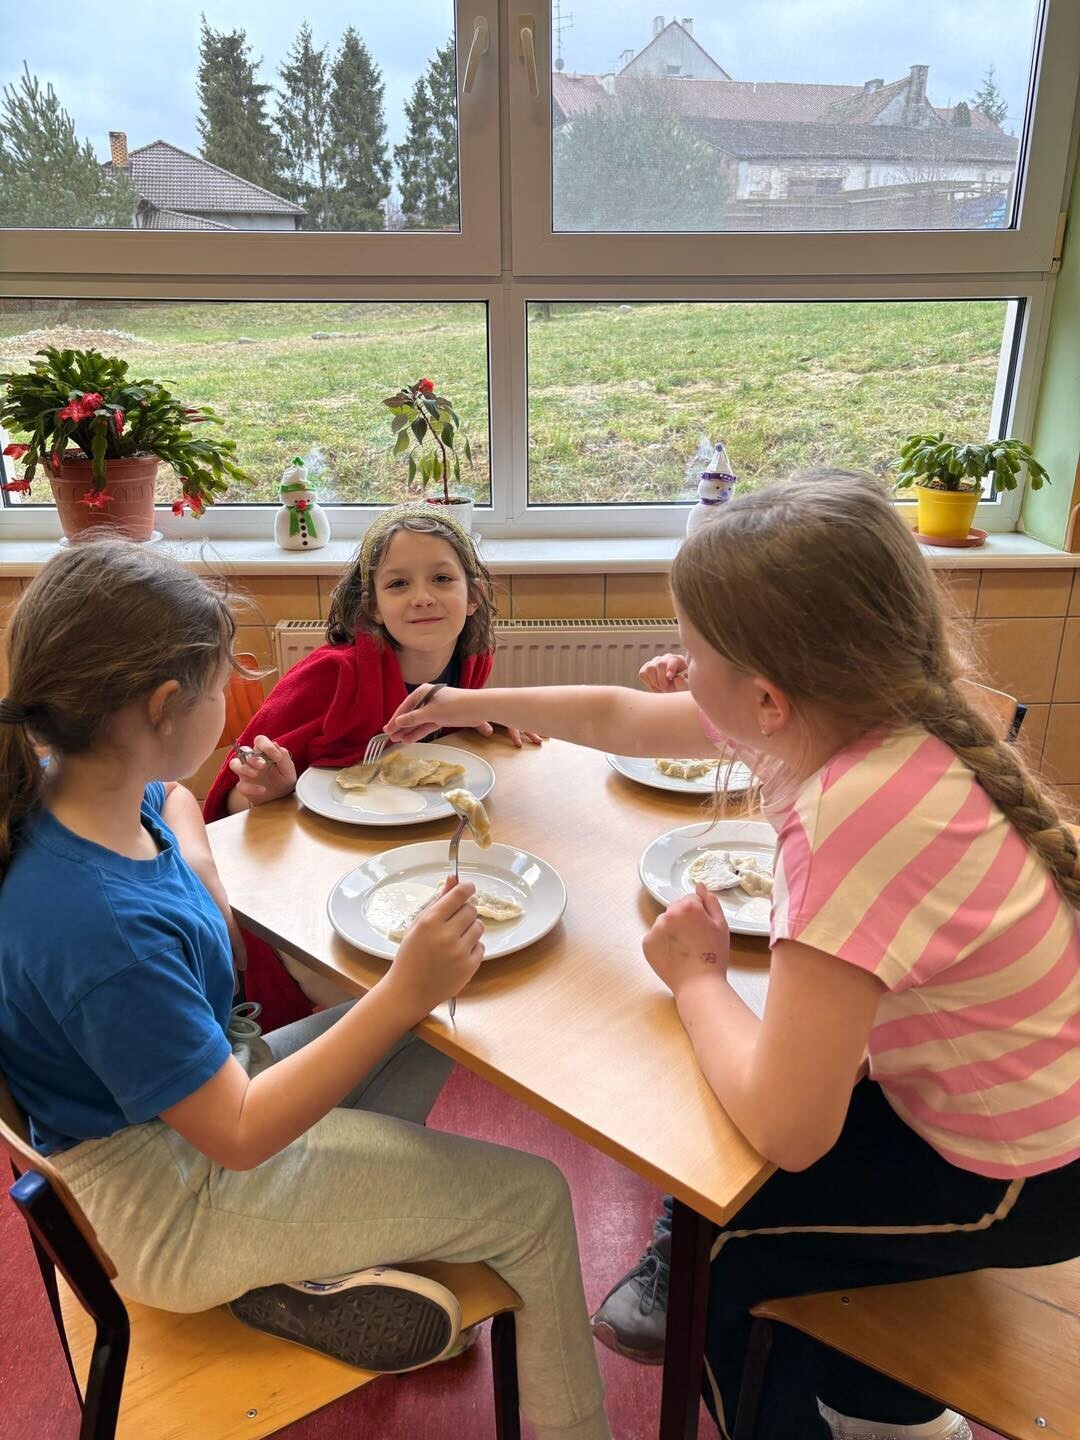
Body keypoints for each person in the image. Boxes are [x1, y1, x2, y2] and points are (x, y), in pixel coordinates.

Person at [386, 471, 1080, 1440]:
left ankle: (865, 1414)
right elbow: (622, 718)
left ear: (766, 695)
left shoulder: (852, 816)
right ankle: (884, 1411)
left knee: (723, 1255)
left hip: (1018, 1175)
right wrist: (466, 702)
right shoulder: (872, 713)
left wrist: (698, 978)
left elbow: (790, 1129)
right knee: (731, 1185)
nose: (677, 665)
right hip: (984, 1108)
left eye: (692, 647)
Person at [0, 538, 613, 1440]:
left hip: (197, 1112)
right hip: (176, 1202)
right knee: (532, 1199)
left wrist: (203, 872)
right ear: (165, 706)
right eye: (225, 684)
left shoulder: (80, 787)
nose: (234, 699)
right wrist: (401, 990)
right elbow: (240, 1134)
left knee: (435, 1027)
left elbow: (175, 804)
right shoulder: (103, 934)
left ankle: (304, 1260)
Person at [203, 503, 539, 1027]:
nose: (422, 596)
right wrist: (268, 788)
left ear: (473, 595)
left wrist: (481, 714)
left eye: (442, 578)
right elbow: (229, 799)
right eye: (399, 584)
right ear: (373, 607)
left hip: (401, 856)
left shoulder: (471, 661)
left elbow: (429, 738)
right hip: (310, 872)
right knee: (396, 1004)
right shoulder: (330, 676)